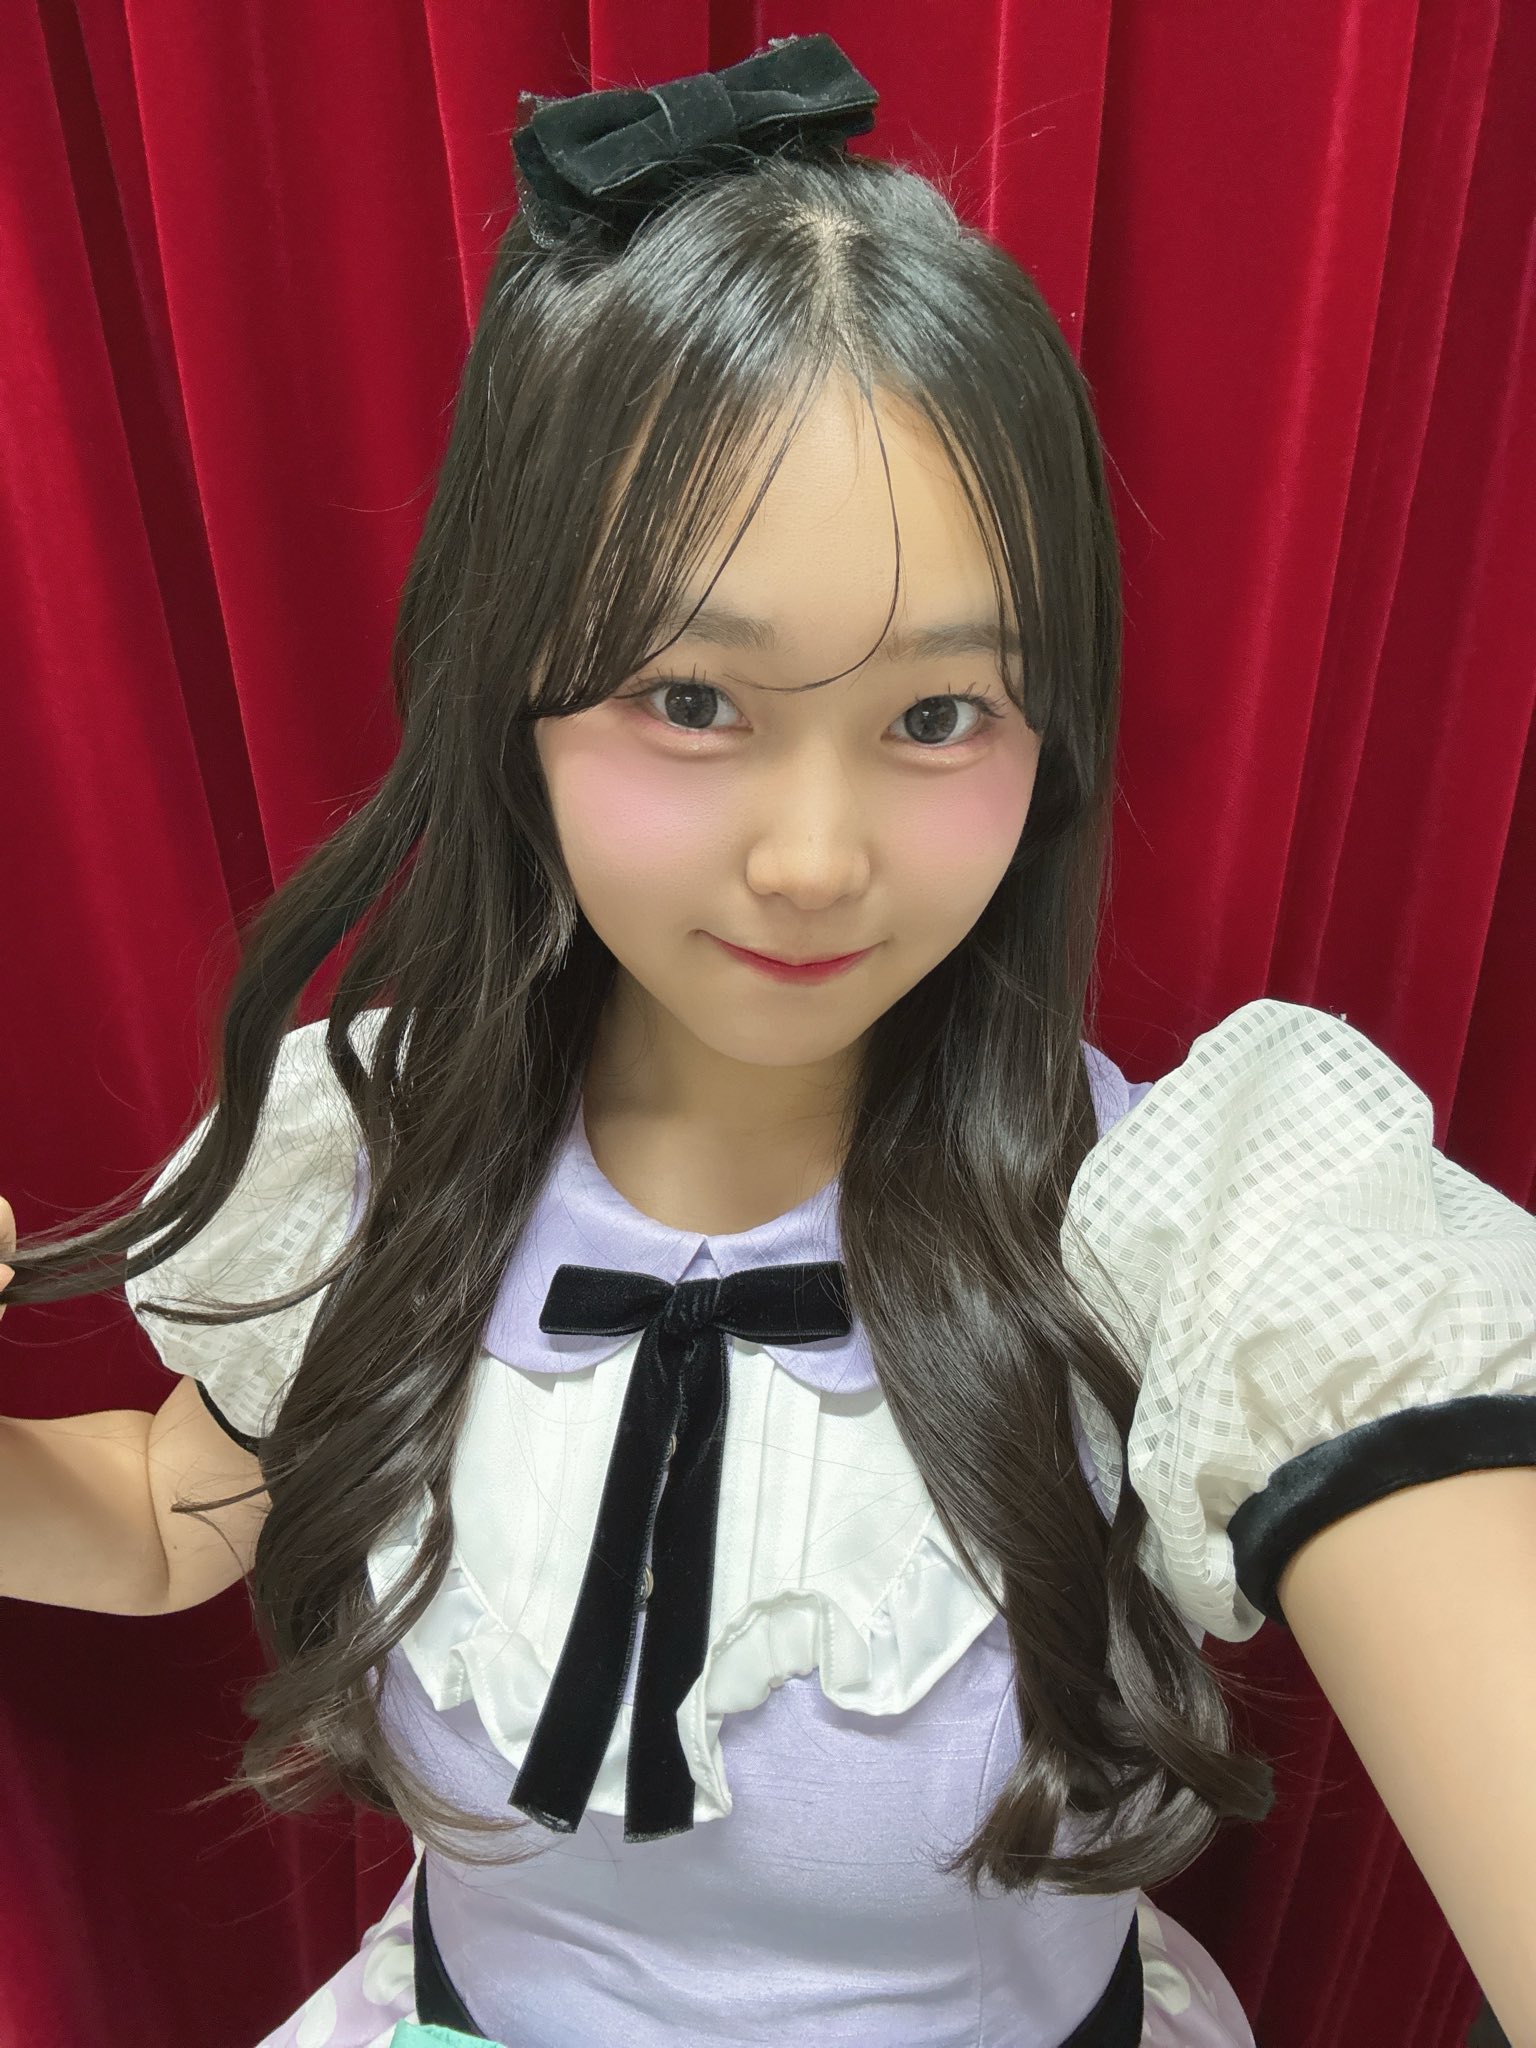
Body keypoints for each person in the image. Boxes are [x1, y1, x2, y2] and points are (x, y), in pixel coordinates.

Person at [3, 32, 1534, 2048]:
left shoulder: (1186, 1225)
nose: (815, 862)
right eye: (693, 701)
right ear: (512, 699)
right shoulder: (372, 1153)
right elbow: (164, 1515)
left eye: (936, 717)